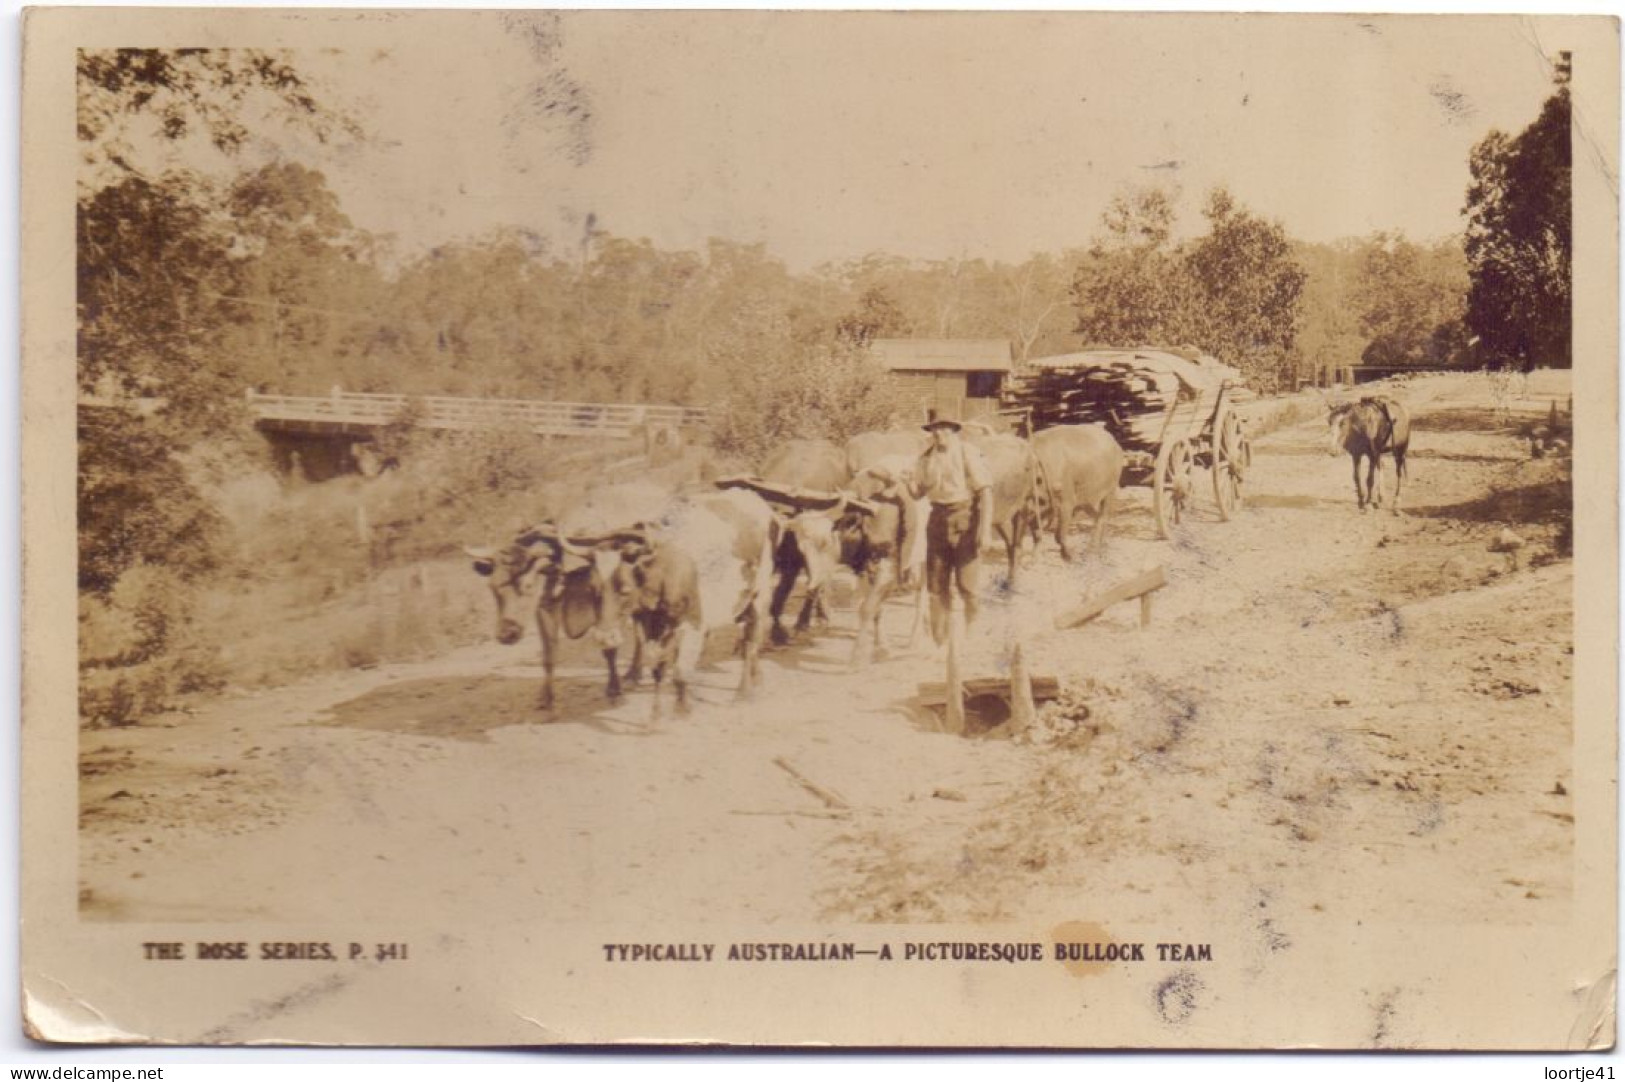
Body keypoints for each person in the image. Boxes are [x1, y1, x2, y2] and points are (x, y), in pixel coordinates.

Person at [908, 409, 993, 645]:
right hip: (937, 519)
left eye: (945, 427)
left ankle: (972, 634)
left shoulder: (967, 453)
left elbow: (985, 492)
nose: (940, 433)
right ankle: (940, 642)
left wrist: (984, 531)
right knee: (936, 586)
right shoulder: (925, 458)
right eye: (935, 428)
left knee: (967, 585)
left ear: (954, 430)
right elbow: (917, 493)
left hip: (965, 517)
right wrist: (909, 483)